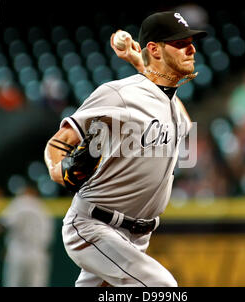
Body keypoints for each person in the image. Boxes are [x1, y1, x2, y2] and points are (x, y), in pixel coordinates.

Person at [44, 11, 206, 287]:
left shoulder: (172, 104)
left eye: (191, 41)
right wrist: (59, 172)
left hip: (138, 236)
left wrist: (138, 62)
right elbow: (59, 141)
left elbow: (184, 125)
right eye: (180, 43)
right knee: (161, 288)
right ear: (154, 49)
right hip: (94, 225)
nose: (191, 48)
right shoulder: (119, 94)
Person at [0, 185, 54, 287]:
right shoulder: (43, 208)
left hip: (17, 253)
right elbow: (48, 238)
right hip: (38, 254)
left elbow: (2, 225)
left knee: (13, 284)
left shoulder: (19, 203)